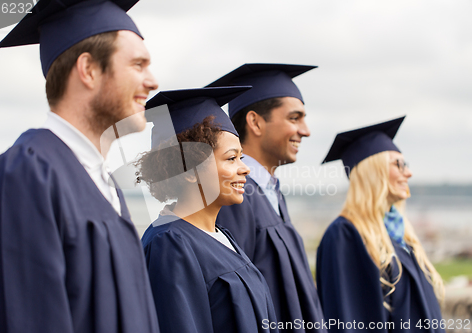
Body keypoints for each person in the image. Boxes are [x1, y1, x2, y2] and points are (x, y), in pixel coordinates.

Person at [0, 0, 160, 332]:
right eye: (138, 64)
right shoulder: (24, 176)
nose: (152, 81)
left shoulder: (104, 185)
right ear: (88, 69)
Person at [138, 86, 279, 333]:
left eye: (241, 158)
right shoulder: (169, 245)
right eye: (231, 158)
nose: (245, 169)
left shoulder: (221, 235)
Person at [207, 63, 327, 332]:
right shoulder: (235, 197)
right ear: (255, 122)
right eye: (294, 118)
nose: (305, 130)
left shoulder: (271, 193)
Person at [317, 116, 444, 333]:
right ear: (372, 171)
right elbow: (351, 322)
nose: (409, 172)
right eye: (399, 164)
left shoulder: (400, 234)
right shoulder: (345, 236)